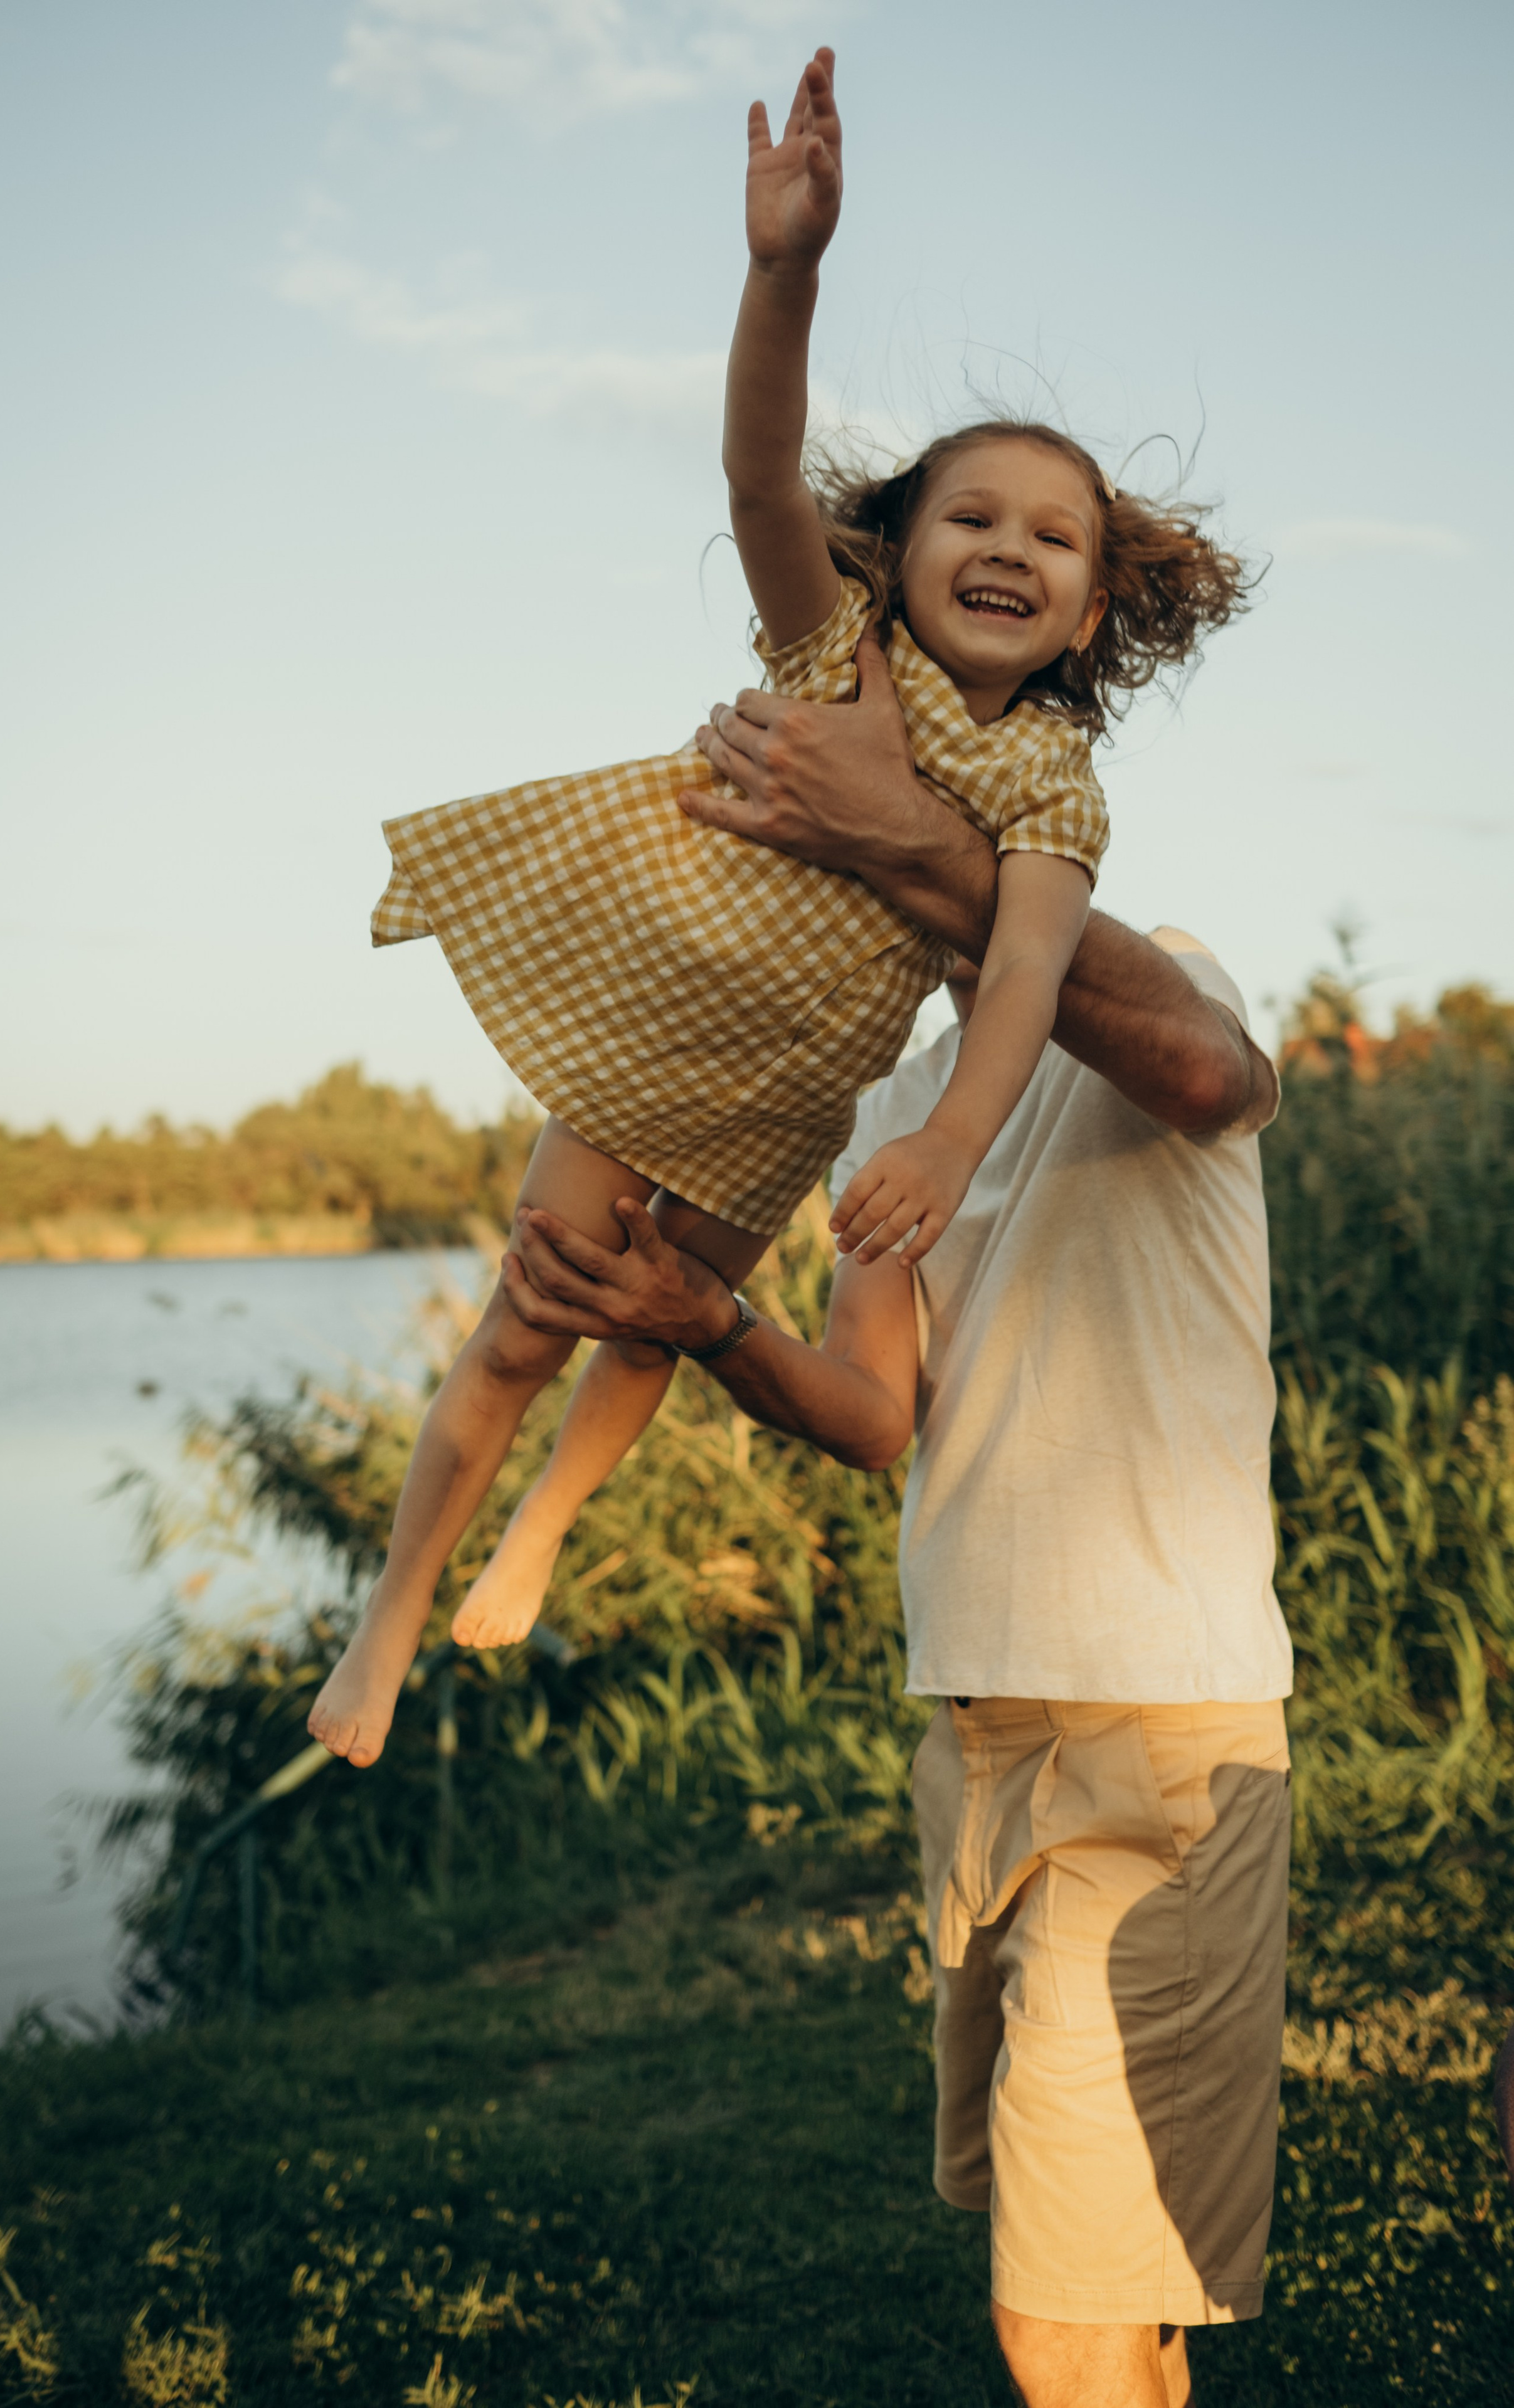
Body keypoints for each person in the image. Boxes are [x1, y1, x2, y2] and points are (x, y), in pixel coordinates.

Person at [309, 48, 1249, 1765]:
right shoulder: (839, 655)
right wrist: (785, 272)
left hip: (788, 1083)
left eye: (1053, 539)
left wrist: (950, 1147)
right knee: (531, 1314)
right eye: (972, 513)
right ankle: (389, 1618)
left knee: (654, 1328)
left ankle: (539, 1534)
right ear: (902, 551)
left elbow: (1027, 979)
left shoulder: (1052, 789)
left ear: (1095, 610)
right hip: (646, 1013)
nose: (1008, 547)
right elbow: (756, 479)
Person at [492, 667, 1291, 2408]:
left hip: (1156, 1727)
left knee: (1055, 2308)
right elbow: (873, 1418)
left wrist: (903, 825)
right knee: (1091, 2255)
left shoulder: (1162, 980)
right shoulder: (883, 1102)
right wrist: (700, 1316)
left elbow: (1213, 1075)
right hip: (981, 1733)